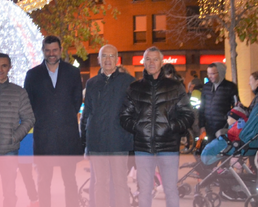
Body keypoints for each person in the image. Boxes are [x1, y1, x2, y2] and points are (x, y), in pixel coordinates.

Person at [121, 46, 194, 207]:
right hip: (143, 149)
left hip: (168, 148)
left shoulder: (175, 87)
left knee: (170, 190)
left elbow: (188, 115)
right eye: (148, 59)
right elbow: (124, 116)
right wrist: (139, 128)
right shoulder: (134, 88)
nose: (151, 62)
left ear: (161, 62)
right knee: (144, 191)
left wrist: (170, 127)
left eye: (155, 59)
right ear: (143, 62)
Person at [23, 35, 83, 207]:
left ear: (61, 50)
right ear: (43, 51)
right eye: (48, 50)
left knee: (70, 181)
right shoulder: (33, 75)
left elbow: (76, 100)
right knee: (43, 182)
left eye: (55, 50)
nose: (51, 54)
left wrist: (63, 118)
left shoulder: (73, 72)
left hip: (67, 137)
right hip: (44, 138)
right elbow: (28, 103)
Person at [80, 44, 134, 207]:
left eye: (111, 56)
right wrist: (84, 143)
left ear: (117, 59)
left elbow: (135, 113)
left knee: (120, 184)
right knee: (100, 184)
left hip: (119, 142)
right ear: (99, 59)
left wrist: (131, 139)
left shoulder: (128, 82)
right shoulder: (92, 83)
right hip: (97, 142)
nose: (108, 59)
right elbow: (86, 113)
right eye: (104, 56)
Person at [0, 53, 35, 207]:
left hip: (9, 151)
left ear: (9, 67)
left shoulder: (19, 92)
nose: (0, 69)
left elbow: (29, 118)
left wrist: (14, 137)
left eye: (4, 65)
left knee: (9, 192)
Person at [199, 62, 238, 141]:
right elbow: (202, 107)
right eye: (208, 73)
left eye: (213, 74)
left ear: (220, 73)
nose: (209, 76)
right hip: (208, 126)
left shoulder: (230, 87)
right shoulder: (206, 87)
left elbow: (235, 106)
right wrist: (201, 125)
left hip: (223, 126)